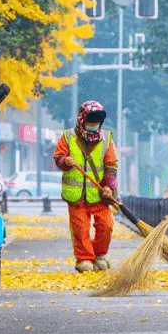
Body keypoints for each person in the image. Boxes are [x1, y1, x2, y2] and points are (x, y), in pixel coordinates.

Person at [54, 100, 119, 273]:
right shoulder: (68, 137)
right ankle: (84, 259)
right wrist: (65, 162)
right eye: (90, 123)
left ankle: (99, 255)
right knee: (80, 228)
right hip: (76, 196)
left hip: (99, 194)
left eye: (96, 123)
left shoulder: (107, 139)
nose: (93, 126)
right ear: (81, 120)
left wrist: (109, 187)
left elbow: (111, 166)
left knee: (106, 225)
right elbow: (58, 158)